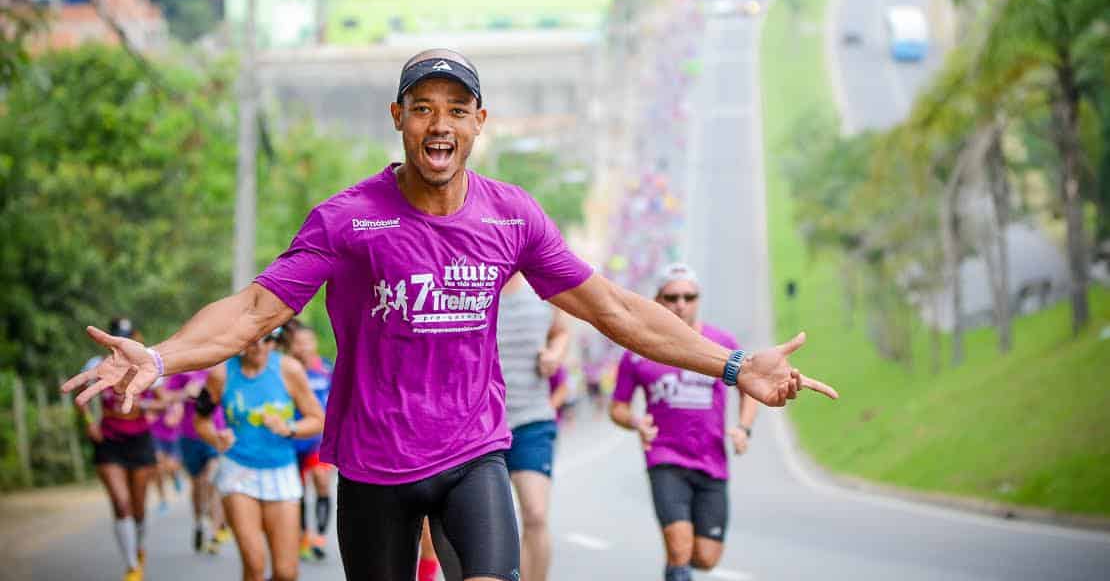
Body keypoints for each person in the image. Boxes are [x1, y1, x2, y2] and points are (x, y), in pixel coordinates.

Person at [64, 48, 837, 581]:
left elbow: (615, 309)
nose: (441, 124)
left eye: (457, 110)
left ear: (479, 121)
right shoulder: (346, 220)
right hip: (372, 466)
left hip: (473, 452)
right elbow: (254, 309)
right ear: (398, 116)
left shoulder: (512, 217)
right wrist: (160, 356)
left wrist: (733, 364)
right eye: (424, 108)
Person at [609, 264, 760, 581]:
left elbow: (752, 387)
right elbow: (617, 408)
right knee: (679, 548)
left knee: (705, 557)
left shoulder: (722, 343)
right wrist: (636, 423)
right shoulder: (639, 350)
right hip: (665, 459)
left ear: (698, 299)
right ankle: (677, 566)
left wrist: (743, 428)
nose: (681, 304)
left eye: (689, 297)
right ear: (658, 300)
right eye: (672, 297)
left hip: (712, 462)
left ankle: (676, 570)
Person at [195, 327, 324, 581]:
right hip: (238, 473)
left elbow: (318, 419)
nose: (259, 347)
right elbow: (201, 420)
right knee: (254, 565)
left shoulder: (289, 369)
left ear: (275, 342)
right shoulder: (221, 374)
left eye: (267, 340)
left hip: (281, 472)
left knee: (286, 572)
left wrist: (289, 428)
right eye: (252, 341)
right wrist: (215, 436)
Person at [495, 272, 569, 581]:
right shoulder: (473, 283)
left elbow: (561, 332)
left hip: (532, 419)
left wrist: (554, 355)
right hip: (482, 423)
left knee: (536, 514)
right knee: (490, 524)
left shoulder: (542, 289)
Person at [78, 317, 158, 581]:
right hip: (109, 441)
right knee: (121, 503)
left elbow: (162, 397)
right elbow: (82, 396)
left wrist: (170, 408)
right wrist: (90, 423)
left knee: (138, 507)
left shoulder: (147, 361)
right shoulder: (95, 365)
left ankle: (139, 545)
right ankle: (132, 564)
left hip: (140, 439)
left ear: (133, 337)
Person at [285, 320, 335, 561]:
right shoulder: (287, 370)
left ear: (314, 343)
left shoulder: (326, 368)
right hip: (292, 439)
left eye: (307, 342)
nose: (303, 347)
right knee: (298, 491)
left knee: (321, 480)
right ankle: (304, 535)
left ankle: (320, 536)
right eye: (298, 343)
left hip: (319, 439)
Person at [164, 367, 228, 553]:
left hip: (215, 431)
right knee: (198, 483)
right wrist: (185, 393)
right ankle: (199, 522)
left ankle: (215, 532)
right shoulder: (184, 369)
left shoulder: (220, 368)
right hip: (189, 435)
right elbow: (165, 398)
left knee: (212, 478)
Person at [148, 383, 184, 515]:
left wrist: (174, 414)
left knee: (171, 466)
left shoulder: (171, 393)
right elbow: (147, 416)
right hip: (155, 436)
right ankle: (163, 500)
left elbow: (176, 416)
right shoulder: (149, 396)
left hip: (172, 436)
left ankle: (175, 475)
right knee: (158, 466)